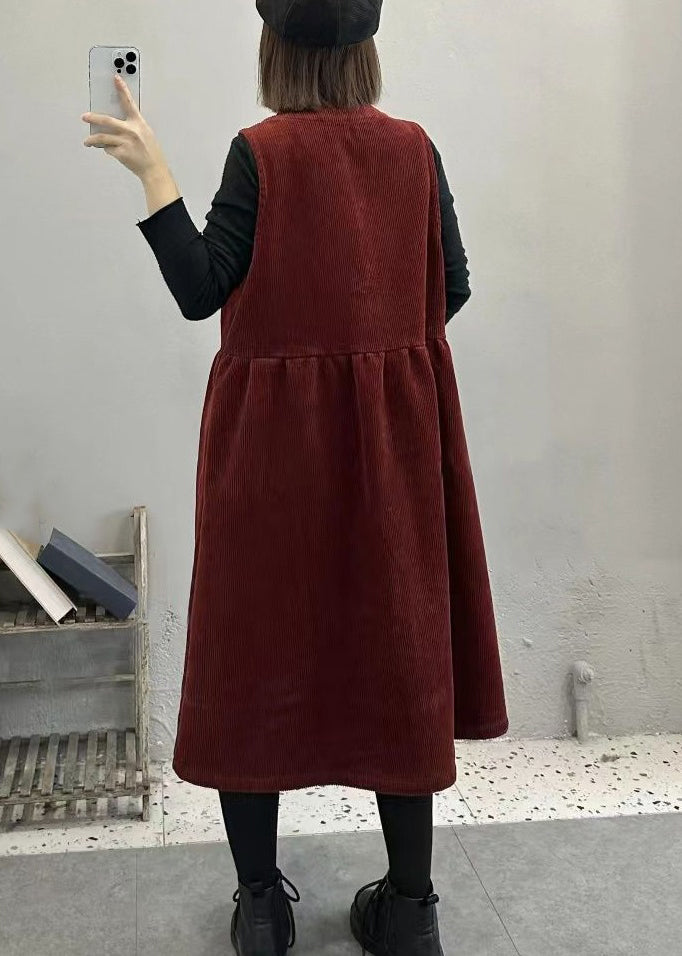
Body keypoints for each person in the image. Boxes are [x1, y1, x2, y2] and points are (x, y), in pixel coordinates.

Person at [81, 2, 509, 953]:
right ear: (366, 49)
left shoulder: (260, 154)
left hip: (270, 458)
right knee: (398, 654)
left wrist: (152, 170)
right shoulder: (415, 150)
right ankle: (410, 911)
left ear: (274, 49)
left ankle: (264, 911)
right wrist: (374, 352)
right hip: (393, 455)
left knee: (253, 656)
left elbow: (200, 289)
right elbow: (452, 284)